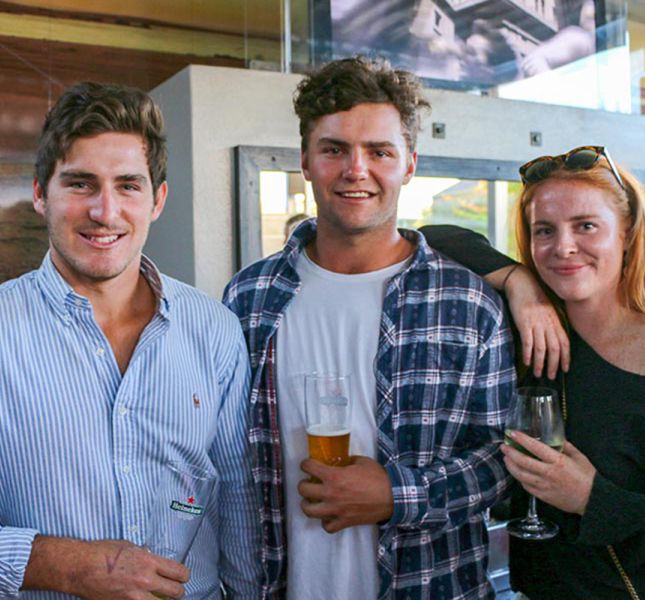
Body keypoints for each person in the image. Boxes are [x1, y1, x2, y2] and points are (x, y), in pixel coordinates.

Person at [0, 82, 261, 599]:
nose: (105, 211)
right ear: (39, 193)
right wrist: (63, 565)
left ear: (158, 199)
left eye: (128, 185)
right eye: (80, 184)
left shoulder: (214, 329)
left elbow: (237, 500)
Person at [223, 56, 569, 600]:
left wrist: (397, 494)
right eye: (334, 149)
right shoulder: (248, 298)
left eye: (379, 151)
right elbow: (230, 460)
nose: (355, 170)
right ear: (306, 162)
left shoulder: (470, 303)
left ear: (409, 163)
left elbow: (503, 460)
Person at [427, 145, 645, 599]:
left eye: (585, 226)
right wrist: (516, 279)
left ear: (626, 234)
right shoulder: (538, 331)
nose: (563, 247)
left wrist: (591, 499)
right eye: (545, 230)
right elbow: (426, 236)